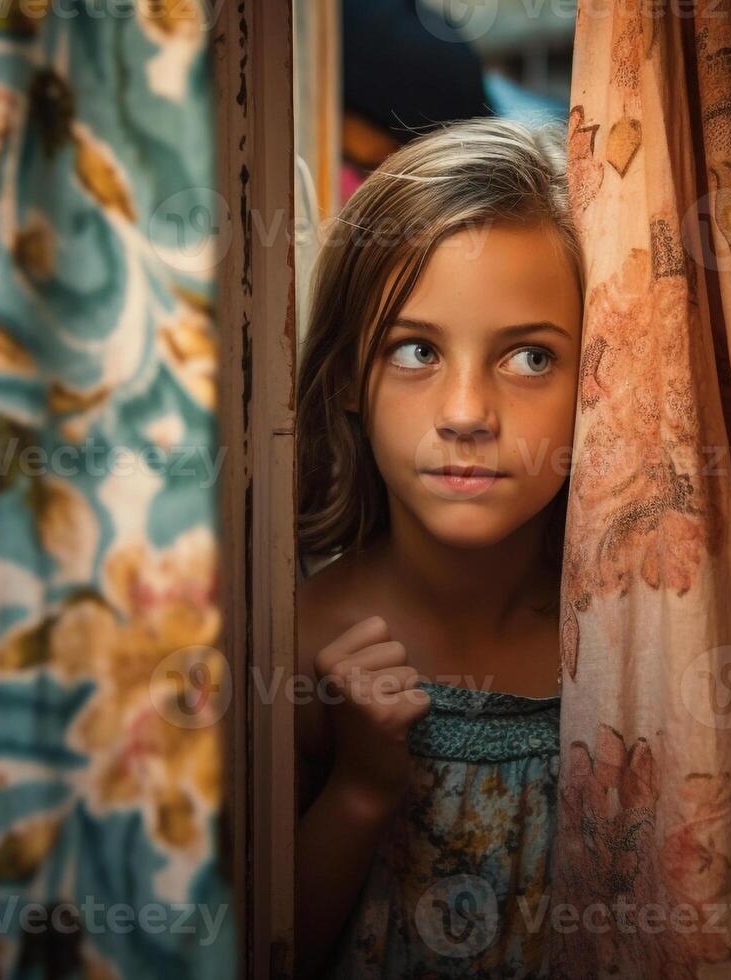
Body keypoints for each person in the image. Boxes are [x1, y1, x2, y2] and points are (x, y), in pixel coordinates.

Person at [293, 117, 584, 978]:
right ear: (346, 371)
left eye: (530, 358)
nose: (465, 412)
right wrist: (359, 787)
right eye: (415, 350)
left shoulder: (633, 639)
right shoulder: (302, 646)